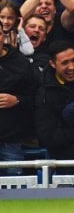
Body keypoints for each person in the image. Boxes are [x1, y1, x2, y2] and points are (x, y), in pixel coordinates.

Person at [0, 22, 39, 175]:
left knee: (15, 190)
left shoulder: (20, 62)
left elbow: (36, 97)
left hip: (11, 141)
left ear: (3, 36)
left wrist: (17, 100)